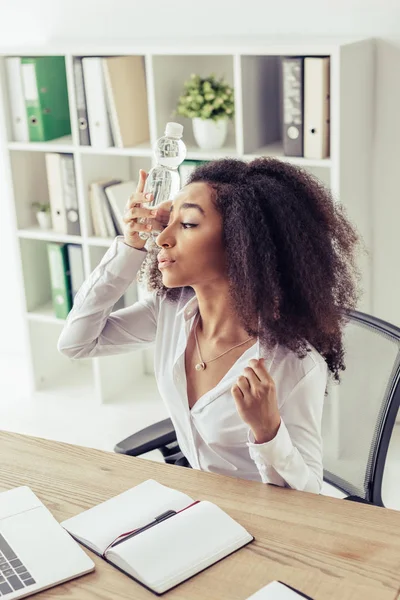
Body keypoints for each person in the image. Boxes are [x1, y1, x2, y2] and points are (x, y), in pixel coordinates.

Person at [58, 157, 361, 494]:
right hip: (195, 501)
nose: (161, 239)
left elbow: (310, 498)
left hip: (258, 523)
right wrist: (131, 245)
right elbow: (77, 342)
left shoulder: (293, 365)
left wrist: (268, 430)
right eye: (167, 222)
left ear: (240, 243)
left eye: (187, 224)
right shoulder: (171, 311)